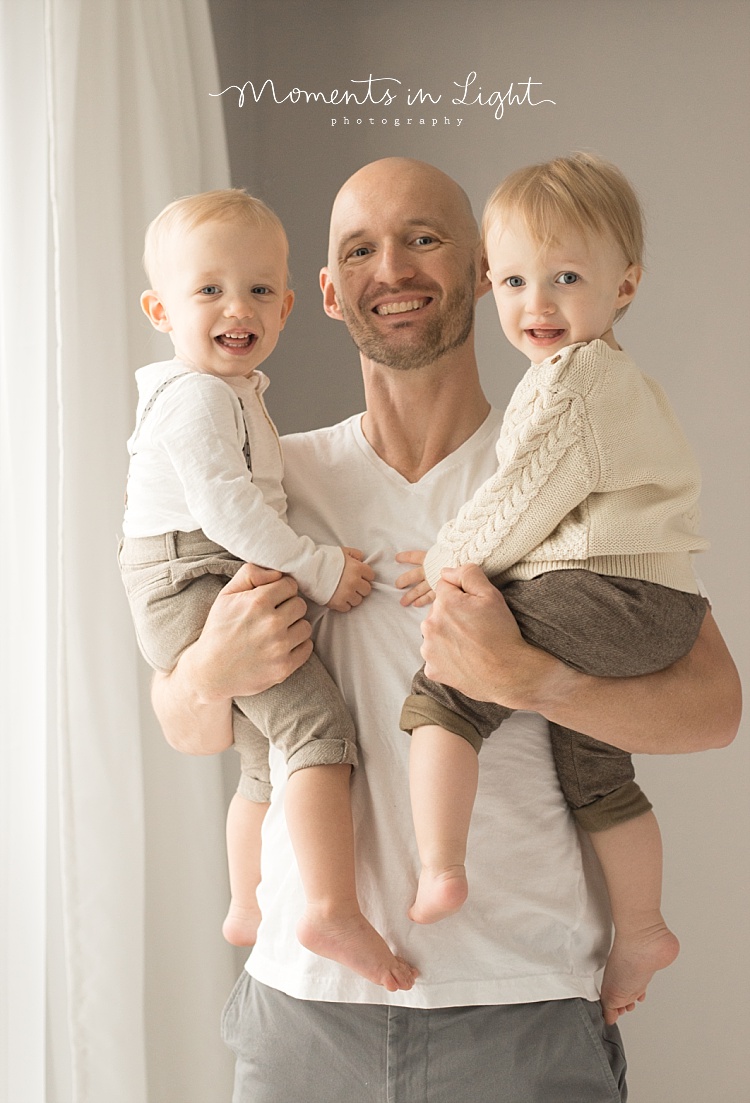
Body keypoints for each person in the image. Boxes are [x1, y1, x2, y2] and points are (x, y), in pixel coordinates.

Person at [151, 159, 740, 1103]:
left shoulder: (562, 465)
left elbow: (715, 708)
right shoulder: (264, 486)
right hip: (305, 1010)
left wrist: (532, 679)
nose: (395, 267)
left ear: (478, 270)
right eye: (360, 250)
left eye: (424, 237)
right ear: (330, 295)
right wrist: (210, 669)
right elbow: (187, 723)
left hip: (524, 998)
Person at [398, 153, 706, 1022]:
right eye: (513, 281)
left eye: (567, 277)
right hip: (653, 603)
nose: (538, 304)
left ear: (625, 284)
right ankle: (641, 927)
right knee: (593, 754)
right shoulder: (609, 380)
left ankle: (439, 866)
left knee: (450, 683)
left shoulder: (576, 381)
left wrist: (440, 564)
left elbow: (518, 502)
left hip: (609, 592)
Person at [118, 189, 416, 991]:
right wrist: (321, 568)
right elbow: (229, 512)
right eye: (208, 289)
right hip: (191, 573)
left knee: (266, 755)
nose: (235, 307)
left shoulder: (236, 394)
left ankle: (247, 902)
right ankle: (331, 906)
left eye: (256, 289)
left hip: (197, 570)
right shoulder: (196, 397)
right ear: (160, 308)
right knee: (319, 725)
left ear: (287, 306)